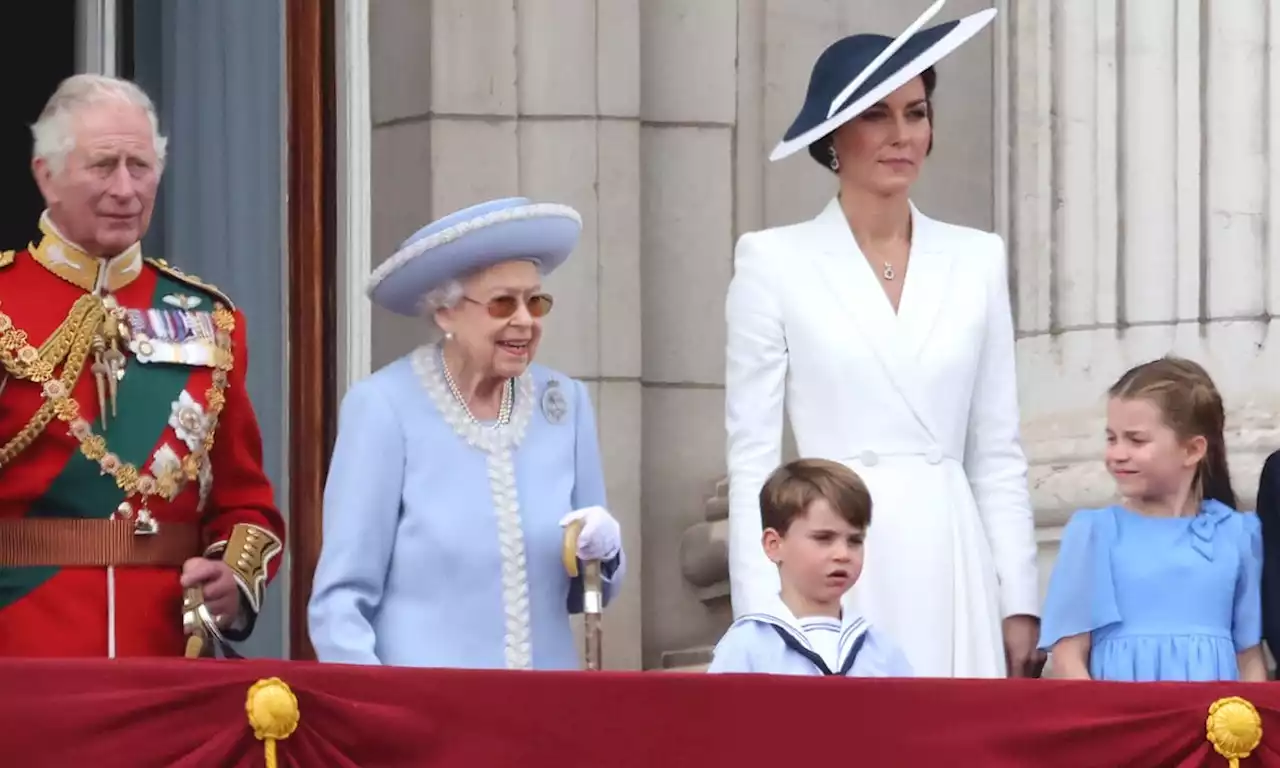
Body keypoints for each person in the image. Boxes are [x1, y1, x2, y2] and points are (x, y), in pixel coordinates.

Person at [724, 1, 1041, 679]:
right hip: (833, 557)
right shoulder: (772, 260)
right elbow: (752, 458)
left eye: (916, 111)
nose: (902, 134)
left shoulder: (977, 258)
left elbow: (996, 447)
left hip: (951, 556)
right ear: (834, 135)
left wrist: (1018, 600)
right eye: (877, 113)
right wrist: (763, 610)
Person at [0, 74, 286, 657]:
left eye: (142, 166)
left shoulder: (211, 318)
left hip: (169, 656)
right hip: (24, 649)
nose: (126, 189)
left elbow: (246, 502)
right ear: (44, 174)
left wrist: (233, 580)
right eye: (104, 166)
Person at [308, 196, 626, 670]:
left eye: (535, 302)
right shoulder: (384, 408)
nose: (525, 320)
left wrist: (606, 552)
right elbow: (339, 603)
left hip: (544, 716)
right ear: (446, 312)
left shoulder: (564, 404)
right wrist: (380, 715)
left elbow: (589, 589)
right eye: (503, 303)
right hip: (429, 718)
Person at [1039, 357, 1265, 682]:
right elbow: (1068, 656)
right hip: (1124, 722)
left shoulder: (1237, 534)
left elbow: (1249, 658)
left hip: (1213, 724)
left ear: (1192, 450)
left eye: (1136, 440)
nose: (1117, 453)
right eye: (1111, 438)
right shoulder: (1095, 533)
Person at [708, 458, 912, 677]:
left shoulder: (882, 652)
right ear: (774, 545)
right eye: (823, 538)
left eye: (855, 541)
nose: (843, 554)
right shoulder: (746, 647)